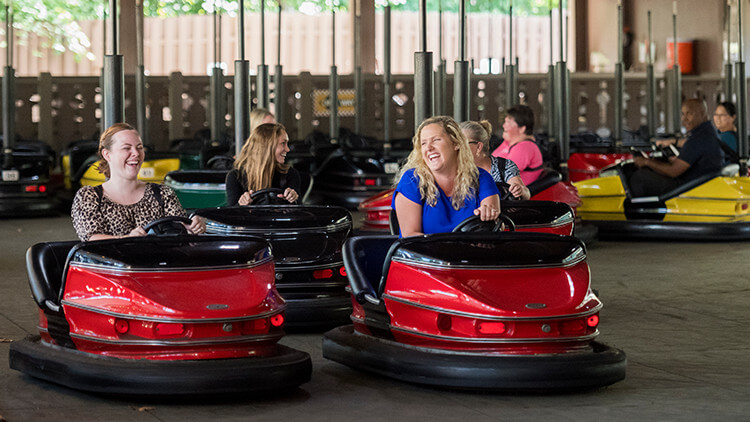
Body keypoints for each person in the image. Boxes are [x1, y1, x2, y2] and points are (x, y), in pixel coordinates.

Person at [71, 123, 205, 241]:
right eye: (126, 148)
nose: (136, 153)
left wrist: (193, 228)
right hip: (113, 267)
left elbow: (180, 229)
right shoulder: (89, 196)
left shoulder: (162, 193)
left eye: (139, 147)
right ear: (107, 154)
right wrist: (127, 239)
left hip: (159, 266)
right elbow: (91, 238)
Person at [392, 116, 501, 237]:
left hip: (471, 253)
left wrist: (489, 214)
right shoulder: (412, 180)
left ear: (456, 143)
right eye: (423, 143)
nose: (428, 148)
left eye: (436, 140)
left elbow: (496, 223)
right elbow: (410, 237)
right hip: (425, 253)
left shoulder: (481, 177)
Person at [630, 98, 724, 197]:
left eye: (689, 114)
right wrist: (677, 160)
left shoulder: (699, 138)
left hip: (688, 187)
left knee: (639, 177)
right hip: (697, 181)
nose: (684, 120)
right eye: (683, 114)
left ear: (702, 114)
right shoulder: (708, 132)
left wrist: (646, 162)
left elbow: (673, 171)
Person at [225, 123, 300, 206]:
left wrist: (293, 199)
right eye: (283, 143)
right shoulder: (236, 177)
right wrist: (241, 205)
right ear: (267, 147)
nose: (287, 149)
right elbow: (231, 215)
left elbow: (299, 213)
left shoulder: (290, 174)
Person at [460, 120, 531, 200]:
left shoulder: (503, 166)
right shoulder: (455, 169)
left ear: (479, 147)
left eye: (462, 143)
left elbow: (525, 193)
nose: (457, 148)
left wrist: (520, 190)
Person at [491, 105, 544, 185]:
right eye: (505, 122)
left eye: (508, 123)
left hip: (512, 195)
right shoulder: (508, 143)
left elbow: (501, 173)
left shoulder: (525, 147)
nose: (504, 126)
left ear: (522, 128)